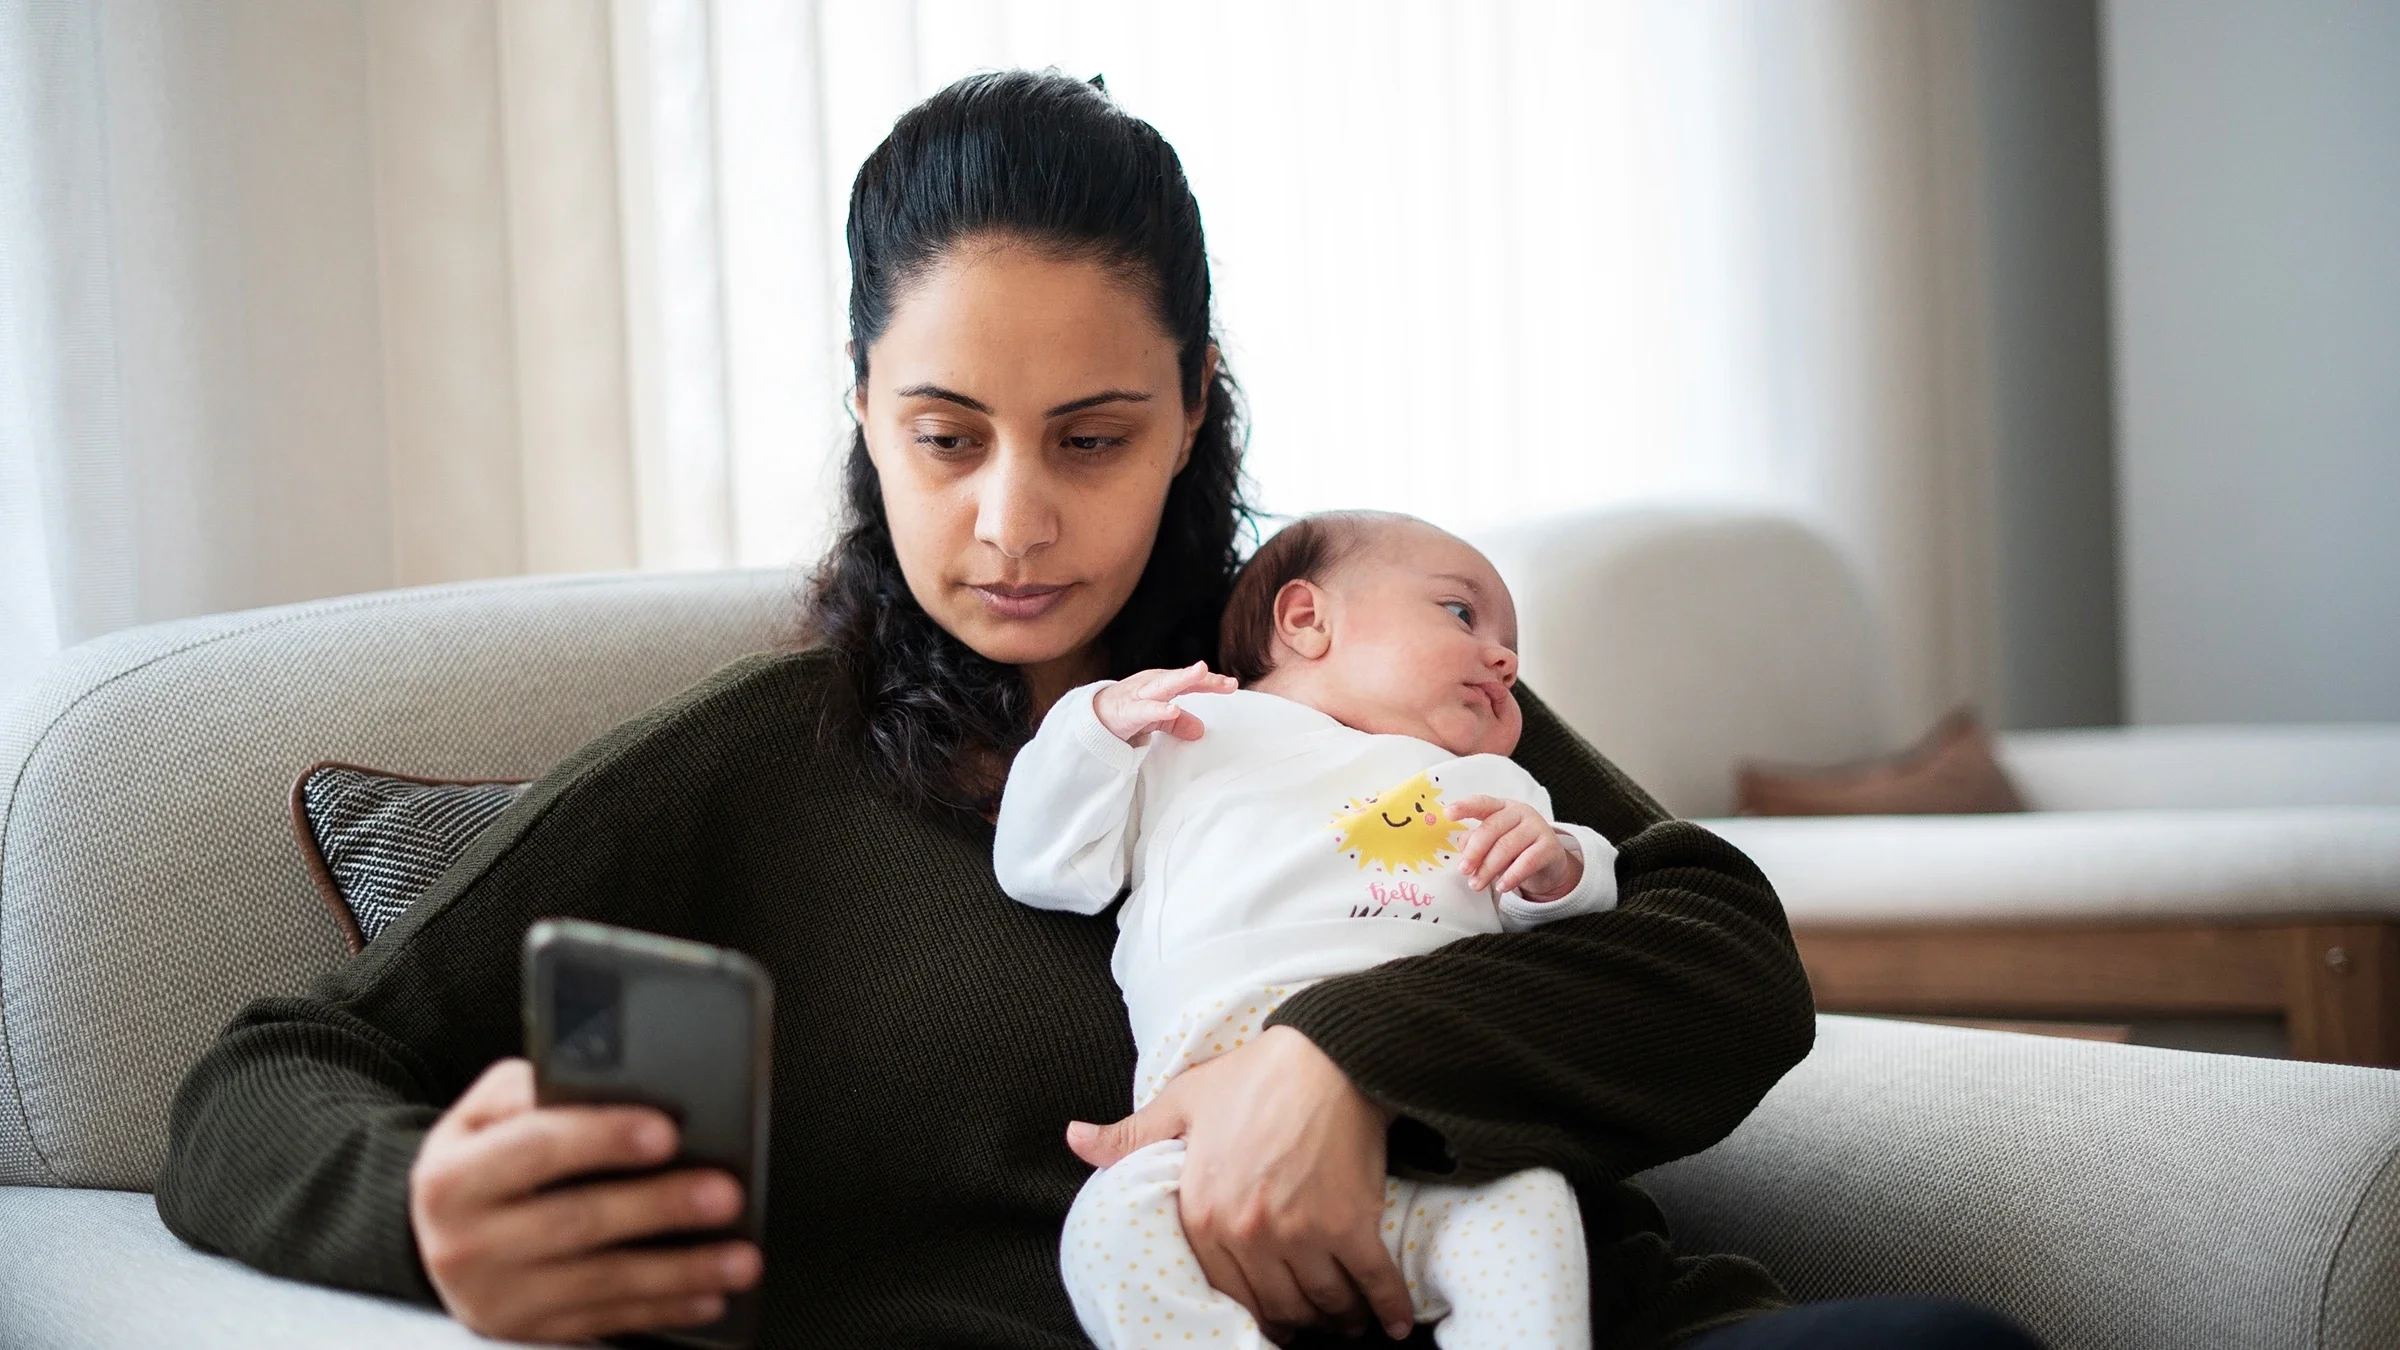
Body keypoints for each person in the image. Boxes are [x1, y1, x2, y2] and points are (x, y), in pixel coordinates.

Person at [154, 70, 2031, 1349]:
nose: (1014, 519)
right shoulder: (749, 774)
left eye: (1095, 436)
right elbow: (258, 1080)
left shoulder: (1331, 678)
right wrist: (424, 1212)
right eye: (945, 435)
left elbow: (1721, 953)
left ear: (1196, 404)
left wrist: (1342, 1063)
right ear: (861, 403)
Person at [997, 511, 1623, 1348]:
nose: (1505, 660)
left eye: (1511, 647)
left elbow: (1589, 919)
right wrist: (1096, 727)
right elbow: (1041, 862)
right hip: (1213, 1132)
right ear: (1305, 619)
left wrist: (1560, 866)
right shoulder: (1191, 731)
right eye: (1462, 614)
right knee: (1111, 1230)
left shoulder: (1488, 783)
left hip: (1423, 1123)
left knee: (1530, 1205)